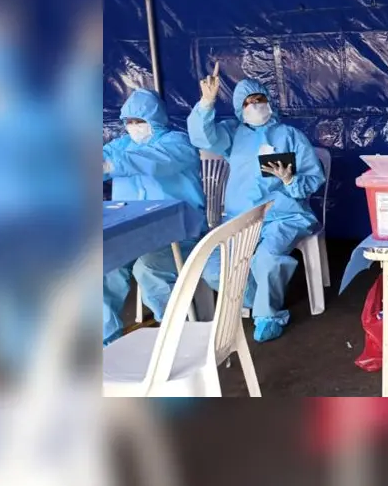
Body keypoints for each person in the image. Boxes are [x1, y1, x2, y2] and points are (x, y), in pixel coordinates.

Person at [188, 68, 324, 343]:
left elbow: (314, 176)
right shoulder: (230, 134)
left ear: (269, 100)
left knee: (267, 258)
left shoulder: (290, 135)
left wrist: (291, 180)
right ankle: (256, 296)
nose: (255, 105)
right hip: (242, 217)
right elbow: (201, 138)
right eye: (247, 102)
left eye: (259, 98)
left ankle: (269, 315)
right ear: (239, 108)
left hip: (285, 214)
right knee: (212, 266)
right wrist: (206, 103)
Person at [103, 88, 204, 345]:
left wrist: (112, 166)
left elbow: (153, 161)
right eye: (130, 121)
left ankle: (175, 334)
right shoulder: (120, 146)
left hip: (179, 229)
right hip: (134, 230)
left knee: (148, 269)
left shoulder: (177, 143)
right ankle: (108, 340)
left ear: (155, 119)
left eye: (140, 121)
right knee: (104, 266)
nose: (134, 127)